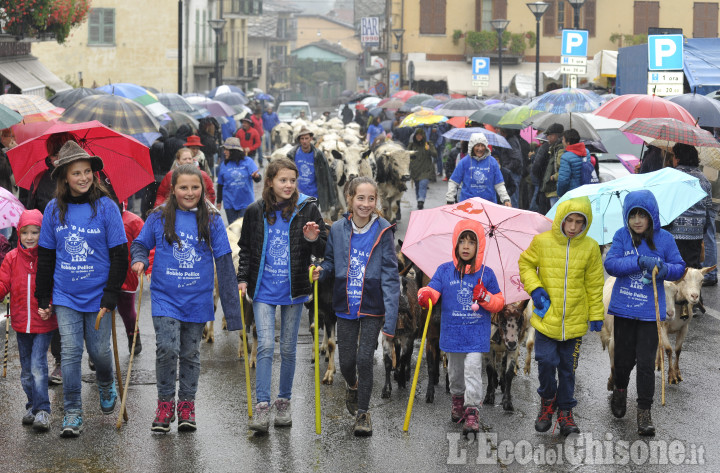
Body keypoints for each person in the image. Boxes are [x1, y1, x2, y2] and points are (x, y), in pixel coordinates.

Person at [131, 164, 241, 433]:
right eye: (183, 187)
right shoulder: (158, 217)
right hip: (165, 297)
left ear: (203, 189)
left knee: (190, 354)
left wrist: (233, 310)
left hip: (197, 298)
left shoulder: (212, 220)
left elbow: (225, 262)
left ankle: (187, 405)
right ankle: (165, 404)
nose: (189, 192)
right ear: (173, 189)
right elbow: (140, 244)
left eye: (195, 187)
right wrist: (139, 260)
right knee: (167, 349)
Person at [35, 141, 129, 438]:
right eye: (77, 173)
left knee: (100, 353)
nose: (84, 177)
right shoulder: (53, 210)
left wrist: (111, 293)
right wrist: (43, 295)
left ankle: (105, 381)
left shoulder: (106, 207)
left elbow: (119, 254)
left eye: (87, 171)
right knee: (71, 352)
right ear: (64, 177)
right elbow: (47, 255)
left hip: (99, 295)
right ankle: (73, 412)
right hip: (65, 295)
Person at [237, 157, 326, 434]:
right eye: (282, 180)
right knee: (264, 345)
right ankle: (262, 406)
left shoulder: (308, 208)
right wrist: (242, 277)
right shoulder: (255, 211)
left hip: (295, 288)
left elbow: (322, 249)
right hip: (263, 288)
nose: (288, 185)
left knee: (288, 348)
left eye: (292, 180)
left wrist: (313, 240)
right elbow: (246, 248)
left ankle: (283, 403)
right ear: (270, 182)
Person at [311, 177, 399, 436]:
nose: (366, 204)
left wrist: (391, 325)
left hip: (372, 305)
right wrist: (321, 272)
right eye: (360, 198)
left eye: (371, 199)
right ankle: (352, 385)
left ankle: (363, 413)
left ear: (376, 201)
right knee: (347, 361)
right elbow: (329, 262)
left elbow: (392, 278)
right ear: (349, 199)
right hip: (345, 303)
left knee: (364, 359)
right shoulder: (337, 229)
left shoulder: (384, 230)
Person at [518, 196, 604, 436]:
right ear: (561, 220)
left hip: (575, 323)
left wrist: (596, 314)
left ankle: (565, 411)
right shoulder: (542, 242)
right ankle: (547, 401)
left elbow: (595, 284)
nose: (574, 227)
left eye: (580, 222)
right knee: (546, 362)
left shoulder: (590, 248)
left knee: (568, 369)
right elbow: (525, 263)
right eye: (570, 221)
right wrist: (535, 288)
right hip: (547, 321)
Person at [603, 190, 685, 436]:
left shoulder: (666, 239)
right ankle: (619, 391)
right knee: (625, 361)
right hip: (624, 310)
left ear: (652, 216)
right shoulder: (621, 236)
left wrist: (662, 269)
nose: (637, 220)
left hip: (651, 313)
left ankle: (644, 412)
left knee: (647, 364)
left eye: (643, 215)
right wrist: (637, 263)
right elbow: (611, 265)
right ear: (627, 217)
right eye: (632, 215)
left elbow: (679, 268)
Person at [416, 220, 505, 437]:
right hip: (453, 335)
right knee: (455, 374)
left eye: (471, 242)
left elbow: (499, 302)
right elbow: (433, 289)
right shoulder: (445, 270)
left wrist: (485, 297)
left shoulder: (487, 274)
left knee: (473, 369)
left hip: (476, 336)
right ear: (455, 244)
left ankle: (472, 410)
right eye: (462, 241)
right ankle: (457, 400)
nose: (466, 246)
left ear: (479, 246)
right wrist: (425, 295)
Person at [0, 209, 57, 432]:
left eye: (36, 232)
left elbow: (57, 285)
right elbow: (4, 282)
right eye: (25, 232)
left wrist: (51, 305)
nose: (30, 237)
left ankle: (43, 410)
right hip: (21, 322)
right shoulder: (12, 258)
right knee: (25, 371)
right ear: (18, 233)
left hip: (44, 322)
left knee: (37, 365)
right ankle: (32, 405)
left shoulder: (48, 257)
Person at [668, 143, 714, 272]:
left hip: (675, 231)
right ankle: (694, 292)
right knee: (692, 268)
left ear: (678, 157)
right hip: (696, 231)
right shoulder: (703, 178)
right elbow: (708, 206)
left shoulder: (673, 176)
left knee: (675, 267)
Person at [286, 128, 339, 218]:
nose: (304, 141)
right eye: (302, 139)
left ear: (311, 138)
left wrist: (331, 200)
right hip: (297, 194)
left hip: (314, 195)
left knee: (312, 221)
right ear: (299, 140)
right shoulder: (292, 154)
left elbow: (327, 177)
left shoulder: (318, 155)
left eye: (306, 138)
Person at [445, 133, 511, 206]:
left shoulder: (492, 162)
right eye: (477, 146)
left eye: (482, 146)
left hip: (488, 204)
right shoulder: (464, 162)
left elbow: (499, 184)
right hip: (467, 204)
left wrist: (506, 199)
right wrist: (450, 199)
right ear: (472, 147)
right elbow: (454, 182)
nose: (480, 149)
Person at [117, 203, 144, 355]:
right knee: (100, 311)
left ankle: (133, 333)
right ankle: (98, 348)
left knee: (126, 310)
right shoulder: (97, 218)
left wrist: (145, 264)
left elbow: (146, 243)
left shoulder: (133, 220)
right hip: (101, 273)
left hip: (127, 273)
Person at [216, 137, 261, 224]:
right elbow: (220, 185)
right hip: (229, 203)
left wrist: (256, 177)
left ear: (233, 151)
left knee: (245, 228)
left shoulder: (248, 161)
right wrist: (218, 202)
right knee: (233, 229)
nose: (224, 152)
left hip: (246, 202)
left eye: (226, 150)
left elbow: (258, 179)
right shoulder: (224, 165)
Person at [531, 124, 564, 214]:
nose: (547, 137)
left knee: (552, 215)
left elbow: (536, 166)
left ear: (556, 135)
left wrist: (551, 178)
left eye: (549, 135)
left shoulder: (559, 149)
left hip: (553, 188)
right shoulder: (553, 148)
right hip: (550, 187)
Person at [407, 128, 437, 210]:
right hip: (415, 170)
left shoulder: (428, 144)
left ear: (423, 136)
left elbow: (435, 154)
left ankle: (421, 200)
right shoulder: (412, 145)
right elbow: (406, 155)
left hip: (426, 170)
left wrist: (429, 149)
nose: (419, 136)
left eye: (421, 135)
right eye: (417, 135)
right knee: (417, 186)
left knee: (423, 185)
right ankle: (419, 200)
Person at [494, 128, 524, 208]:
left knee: (512, 202)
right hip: (512, 173)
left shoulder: (511, 141)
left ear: (503, 131)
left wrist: (505, 170)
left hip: (513, 174)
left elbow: (516, 160)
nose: (498, 132)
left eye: (499, 130)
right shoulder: (510, 140)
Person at [556, 129, 589, 198]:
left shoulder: (566, 157)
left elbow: (563, 180)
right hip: (586, 192)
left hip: (572, 194)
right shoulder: (586, 152)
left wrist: (560, 193)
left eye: (563, 139)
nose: (562, 141)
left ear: (568, 143)